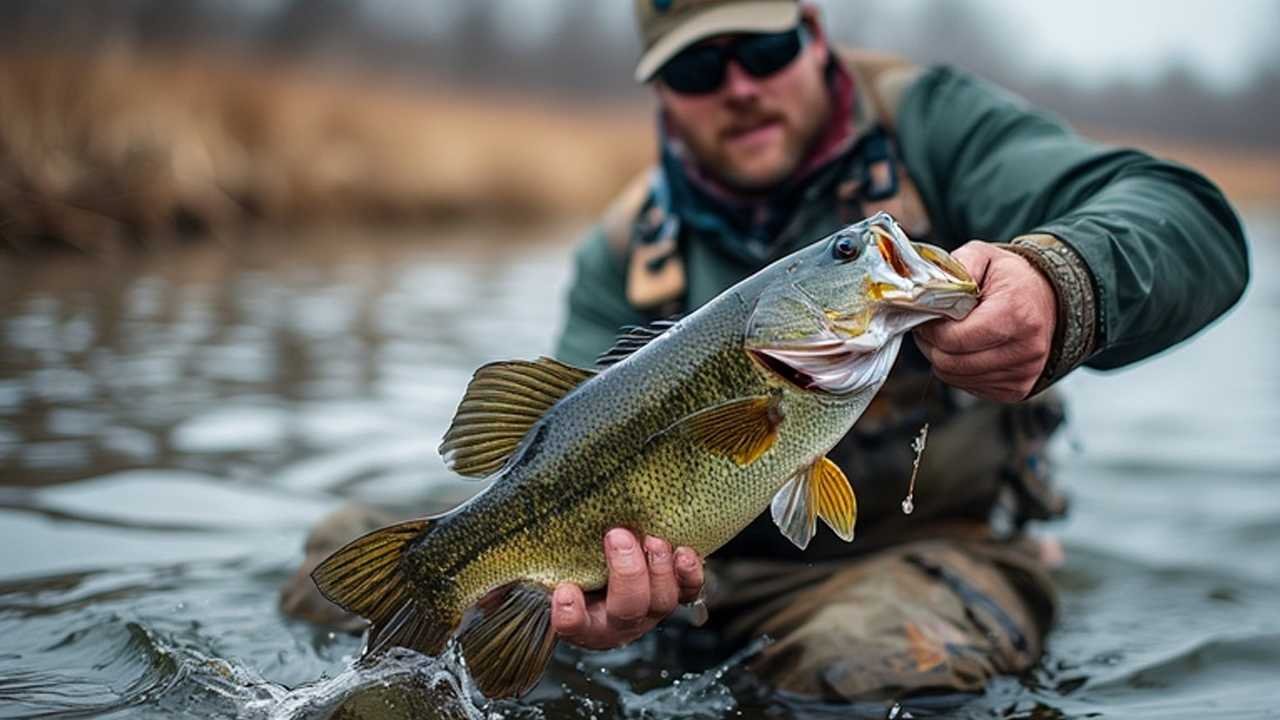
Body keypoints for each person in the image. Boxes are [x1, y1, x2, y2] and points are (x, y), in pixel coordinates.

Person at [542, 0, 1250, 702]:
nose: (740, 88)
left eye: (762, 52)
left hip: (933, 558)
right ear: (660, 90)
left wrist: (1062, 282)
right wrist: (586, 601)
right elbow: (551, 454)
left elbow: (1191, 218)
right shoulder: (623, 251)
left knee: (867, 677)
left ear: (814, 37)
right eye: (697, 68)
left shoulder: (935, 128)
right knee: (508, 671)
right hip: (698, 592)